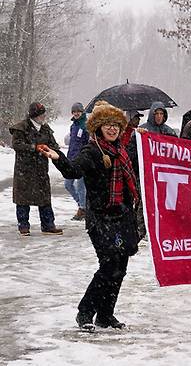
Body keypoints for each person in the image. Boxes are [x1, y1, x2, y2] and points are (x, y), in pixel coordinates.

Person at [40, 102, 141, 332]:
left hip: (123, 217)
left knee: (120, 268)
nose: (112, 129)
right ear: (98, 127)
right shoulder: (92, 151)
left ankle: (106, 315)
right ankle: (85, 311)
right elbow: (73, 170)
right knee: (108, 266)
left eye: (116, 125)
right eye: (107, 125)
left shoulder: (123, 151)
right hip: (101, 219)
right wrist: (58, 157)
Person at [9, 102, 63, 236]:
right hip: (24, 170)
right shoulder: (21, 128)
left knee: (45, 198)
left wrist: (49, 149)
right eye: (41, 114)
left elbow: (54, 145)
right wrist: (34, 147)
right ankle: (23, 226)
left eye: (44, 114)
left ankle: (48, 225)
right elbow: (17, 145)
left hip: (41, 170)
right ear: (34, 115)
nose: (43, 117)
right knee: (23, 199)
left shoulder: (45, 128)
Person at [65, 102, 89, 221]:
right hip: (71, 159)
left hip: (82, 160)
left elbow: (88, 143)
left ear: (82, 112)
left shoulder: (86, 126)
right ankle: (83, 205)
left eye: (78, 111)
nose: (76, 113)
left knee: (80, 186)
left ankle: (83, 209)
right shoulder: (73, 126)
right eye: (74, 112)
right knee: (68, 184)